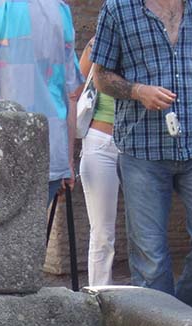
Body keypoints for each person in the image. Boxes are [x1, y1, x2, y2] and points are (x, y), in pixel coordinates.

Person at [91, 0, 192, 311]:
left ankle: (186, 322)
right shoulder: (118, 8)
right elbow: (101, 76)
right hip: (142, 151)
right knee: (151, 260)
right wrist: (137, 91)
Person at [0, 0, 82, 203]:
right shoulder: (60, 10)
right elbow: (71, 94)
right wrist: (67, 161)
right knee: (32, 234)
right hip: (50, 154)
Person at [78, 37, 119, 286]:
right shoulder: (98, 42)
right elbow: (73, 89)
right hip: (100, 140)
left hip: (138, 144)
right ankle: (100, 299)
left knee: (145, 233)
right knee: (102, 233)